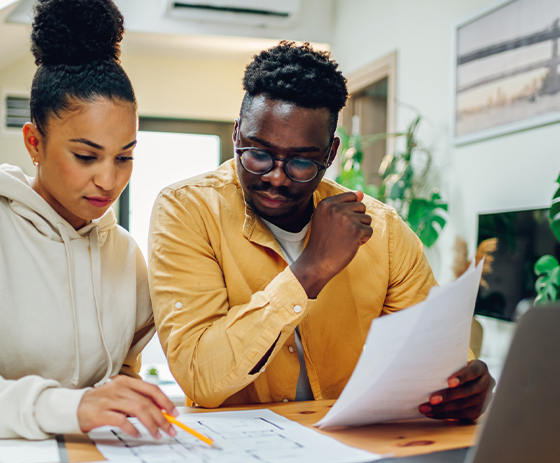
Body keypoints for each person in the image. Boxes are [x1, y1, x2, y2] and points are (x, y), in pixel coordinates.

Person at [148, 42, 494, 420]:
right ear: (236, 135)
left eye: (300, 161)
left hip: (351, 445)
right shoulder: (187, 210)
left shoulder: (383, 231)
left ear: (330, 154)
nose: (276, 177)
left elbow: (435, 351)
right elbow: (200, 377)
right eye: (258, 154)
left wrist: (464, 384)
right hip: (236, 453)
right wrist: (310, 269)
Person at [0, 0, 177, 440]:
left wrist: (127, 392)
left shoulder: (124, 252)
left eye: (125, 157)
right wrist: (66, 406)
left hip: (82, 462)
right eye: (85, 156)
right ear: (34, 142)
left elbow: (121, 369)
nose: (108, 179)